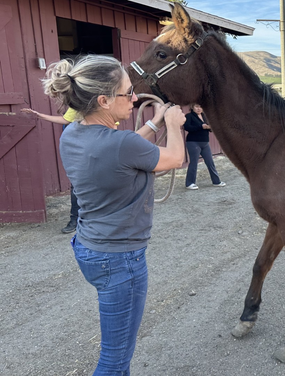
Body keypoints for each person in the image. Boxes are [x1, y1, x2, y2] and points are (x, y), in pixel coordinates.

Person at [42, 54, 186, 375]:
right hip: (120, 259)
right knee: (115, 359)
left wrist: (154, 122)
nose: (135, 99)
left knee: (118, 356)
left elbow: (125, 146)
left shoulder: (73, 135)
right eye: (128, 92)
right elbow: (175, 158)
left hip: (90, 248)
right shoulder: (120, 144)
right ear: (104, 100)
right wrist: (173, 124)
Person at [21, 107, 80, 233]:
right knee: (76, 184)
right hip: (77, 147)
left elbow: (65, 120)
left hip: (89, 145)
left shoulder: (86, 99)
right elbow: (66, 119)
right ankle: (75, 219)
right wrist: (39, 115)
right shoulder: (75, 103)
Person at [183, 104, 225, 190]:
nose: (199, 109)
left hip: (205, 143)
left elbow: (209, 128)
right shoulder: (189, 116)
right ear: (192, 107)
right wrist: (201, 126)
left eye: (201, 107)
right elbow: (187, 127)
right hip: (193, 142)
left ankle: (216, 181)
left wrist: (210, 128)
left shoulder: (204, 116)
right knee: (194, 163)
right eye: (197, 107)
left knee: (210, 162)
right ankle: (190, 183)